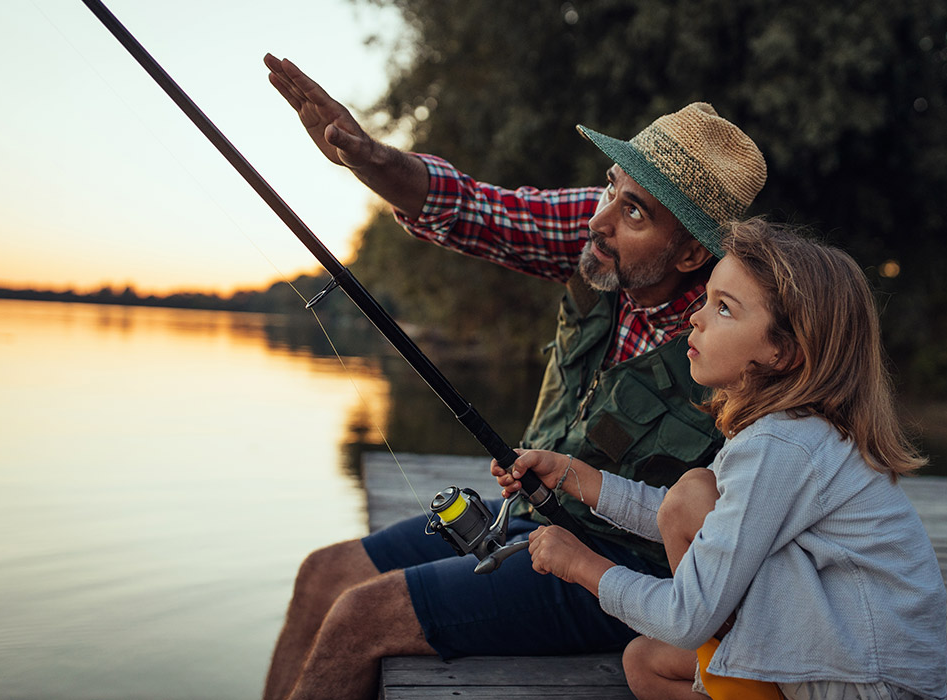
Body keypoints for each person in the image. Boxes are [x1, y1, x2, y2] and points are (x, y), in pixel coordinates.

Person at [261, 54, 770, 700]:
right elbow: (477, 209)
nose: (599, 218)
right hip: (522, 517)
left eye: (633, 211)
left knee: (361, 616)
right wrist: (368, 159)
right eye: (609, 185)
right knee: (322, 575)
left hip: (614, 573)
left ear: (694, 252)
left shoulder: (737, 337)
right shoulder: (602, 235)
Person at [495, 218, 947, 700]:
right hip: (839, 661)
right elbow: (702, 523)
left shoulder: (785, 445)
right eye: (707, 297)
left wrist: (581, 565)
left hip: (869, 684)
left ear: (784, 351)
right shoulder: (784, 429)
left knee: (692, 499)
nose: (696, 317)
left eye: (725, 309)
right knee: (645, 662)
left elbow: (685, 620)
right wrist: (574, 476)